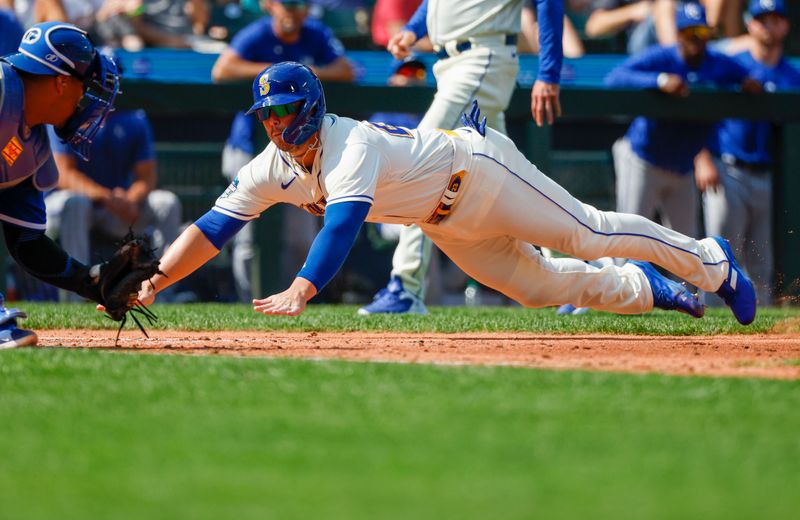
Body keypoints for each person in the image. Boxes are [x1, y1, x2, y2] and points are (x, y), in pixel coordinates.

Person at [136, 61, 758, 329]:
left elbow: (343, 224)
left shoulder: (347, 142)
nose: (275, 123)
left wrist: (304, 287)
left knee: (589, 232)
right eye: (266, 114)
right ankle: (650, 289)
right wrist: (153, 282)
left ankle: (711, 260)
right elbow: (213, 228)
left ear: (312, 107)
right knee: (537, 289)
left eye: (285, 110)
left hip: (479, 172)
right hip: (446, 223)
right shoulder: (268, 166)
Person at [360, 0, 565, 315]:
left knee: (420, 163)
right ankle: (573, 276)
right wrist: (413, 31)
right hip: (452, 64)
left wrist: (549, 72)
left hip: (481, 58)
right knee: (516, 181)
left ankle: (406, 286)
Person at [211, 0, 354, 302]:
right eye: (284, 3)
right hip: (249, 146)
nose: (290, 10)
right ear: (269, 6)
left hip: (300, 150)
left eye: (298, 3)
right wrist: (278, 79)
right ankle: (249, 302)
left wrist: (302, 74)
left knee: (301, 238)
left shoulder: (315, 33)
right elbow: (222, 69)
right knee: (247, 235)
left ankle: (294, 299)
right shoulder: (257, 34)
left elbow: (346, 70)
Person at [0, 22, 120, 347]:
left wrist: (91, 281)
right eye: (86, 88)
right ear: (61, 83)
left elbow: (27, 242)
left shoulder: (34, 147)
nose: (87, 102)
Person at [605, 2, 760, 242]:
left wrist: (748, 82)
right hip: (645, 160)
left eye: (702, 33)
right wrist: (659, 80)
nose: (697, 39)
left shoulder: (716, 61)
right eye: (690, 33)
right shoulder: (663, 57)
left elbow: (747, 76)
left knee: (686, 249)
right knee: (627, 239)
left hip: (684, 166)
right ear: (678, 34)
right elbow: (615, 77)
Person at [695, 0, 800, 306]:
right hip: (725, 168)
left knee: (761, 260)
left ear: (786, 25)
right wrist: (701, 158)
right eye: (761, 18)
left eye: (775, 18)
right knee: (720, 253)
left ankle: (760, 325)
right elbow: (699, 108)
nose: (768, 25)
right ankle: (709, 316)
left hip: (765, 174)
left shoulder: (790, 75)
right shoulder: (733, 63)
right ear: (750, 23)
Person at [44, 107, 182, 301]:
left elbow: (147, 176)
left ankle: (160, 293)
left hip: (118, 209)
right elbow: (63, 174)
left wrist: (131, 199)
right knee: (76, 203)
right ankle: (76, 296)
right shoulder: (66, 109)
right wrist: (107, 198)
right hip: (68, 209)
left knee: (167, 202)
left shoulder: (134, 117)